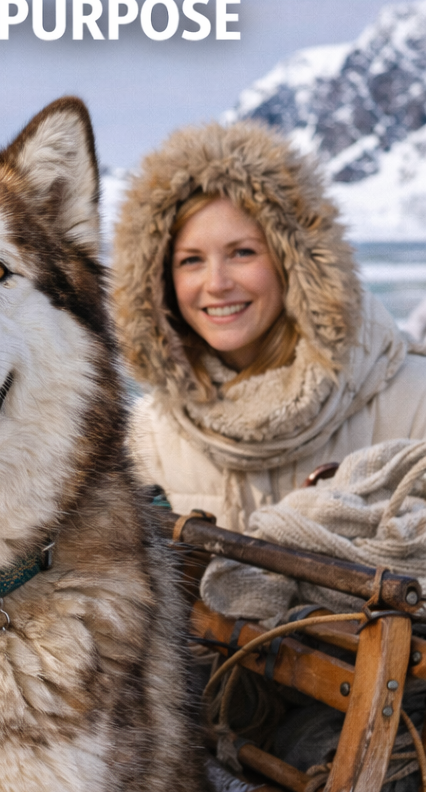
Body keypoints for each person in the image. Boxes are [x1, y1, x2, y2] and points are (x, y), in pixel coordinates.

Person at [113, 118, 426, 536]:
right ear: (159, 283)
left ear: (294, 263)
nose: (217, 284)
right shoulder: (146, 441)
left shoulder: (414, 403)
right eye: (191, 260)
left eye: (242, 253)